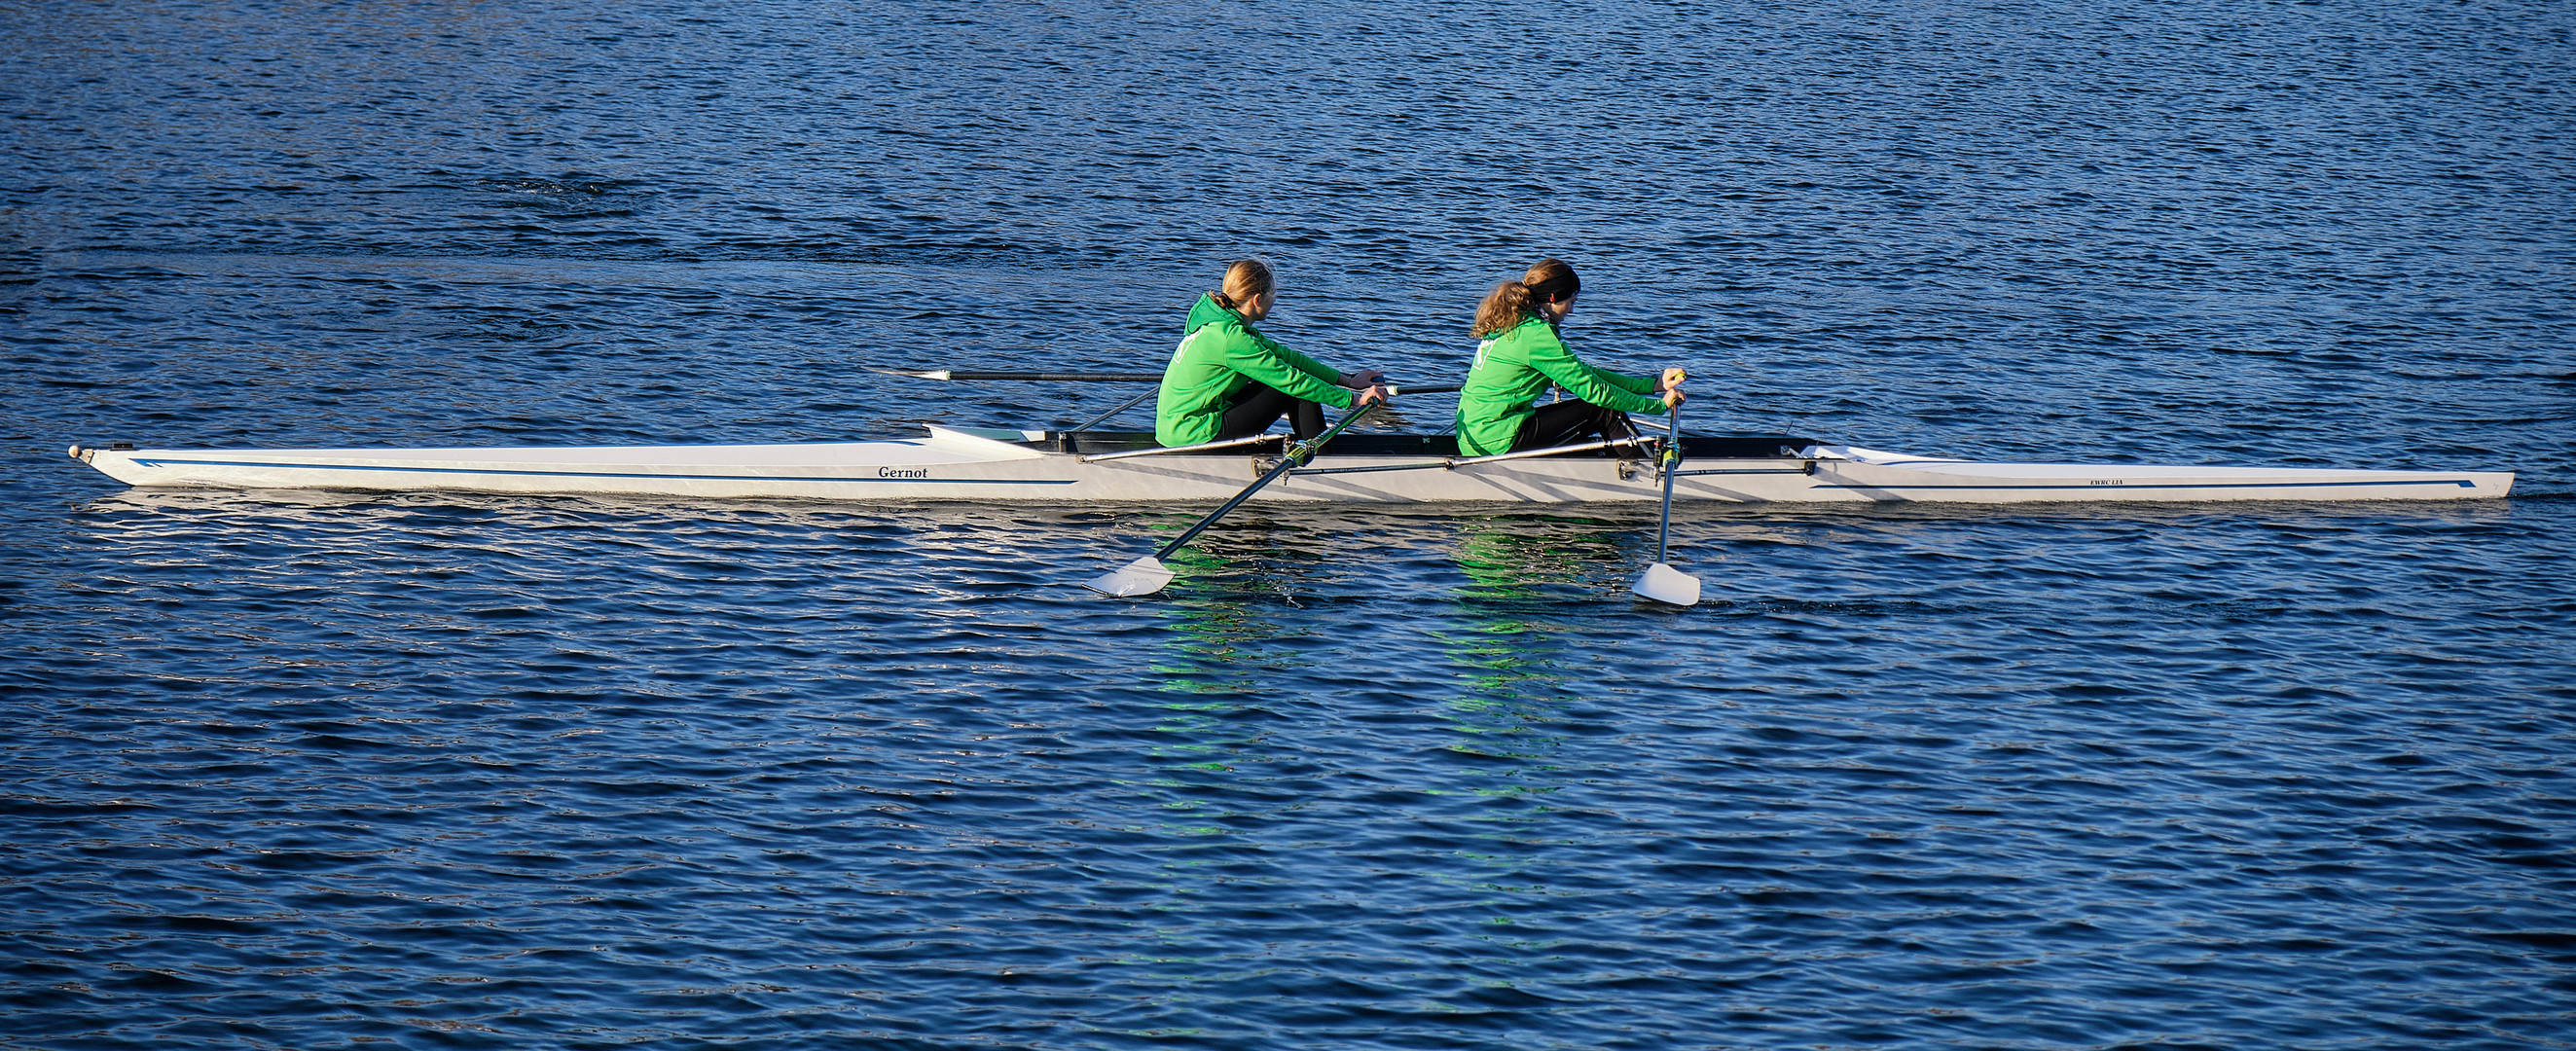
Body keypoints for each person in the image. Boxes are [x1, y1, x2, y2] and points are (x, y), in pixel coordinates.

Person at [1452, 259, 1685, 457]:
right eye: (1571, 302)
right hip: (1497, 440)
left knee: (1597, 406)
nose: (1571, 311)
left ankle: (1628, 459)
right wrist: (1658, 406)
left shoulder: (1515, 321)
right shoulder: (1536, 336)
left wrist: (1652, 385)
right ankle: (1649, 471)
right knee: (1604, 410)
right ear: (1553, 298)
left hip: (1474, 435)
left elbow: (1585, 374)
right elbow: (1595, 391)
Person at [1155, 259, 1390, 448]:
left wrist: (1349, 381)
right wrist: (1354, 400)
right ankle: (1321, 454)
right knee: (1292, 388)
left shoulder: (1223, 325)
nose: (1275, 300)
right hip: (1192, 433)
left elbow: (1288, 358)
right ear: (1258, 300)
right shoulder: (1232, 339)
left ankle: (1315, 444)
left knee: (1292, 378)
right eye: (1272, 295)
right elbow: (1291, 380)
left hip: (1178, 426)